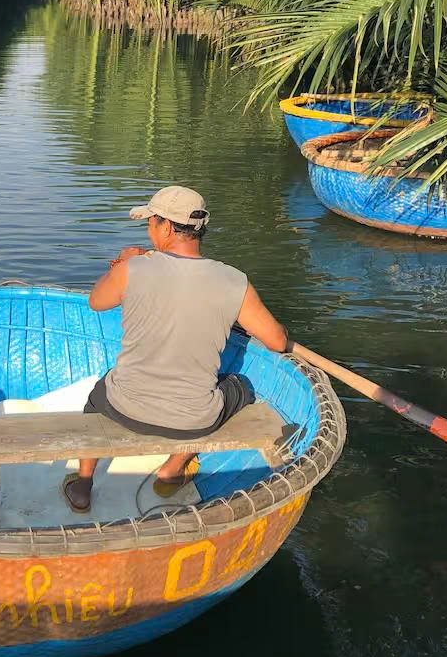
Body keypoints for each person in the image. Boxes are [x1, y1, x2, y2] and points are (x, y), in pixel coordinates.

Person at [61, 185, 288, 514]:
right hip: (193, 421)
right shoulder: (233, 280)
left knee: (99, 392)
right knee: (239, 385)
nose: (149, 231)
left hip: (124, 407)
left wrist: (123, 264)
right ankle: (172, 469)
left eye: (150, 223)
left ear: (166, 227)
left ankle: (83, 483)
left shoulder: (133, 269)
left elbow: (97, 301)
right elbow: (277, 342)